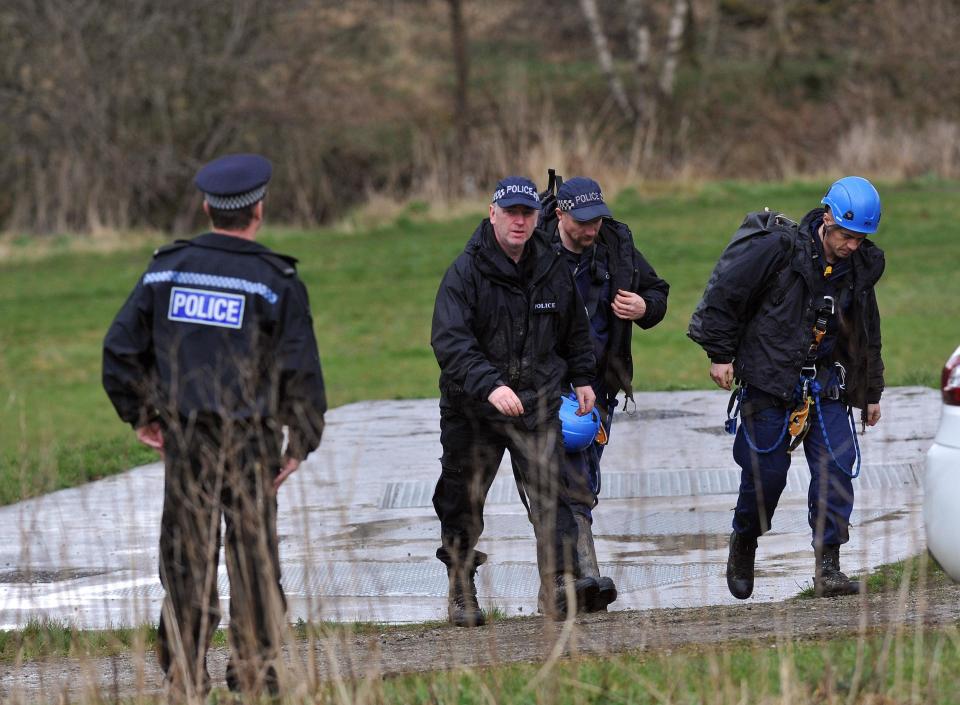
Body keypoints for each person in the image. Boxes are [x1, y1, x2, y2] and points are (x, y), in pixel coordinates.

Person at [102, 153, 326, 697]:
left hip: (186, 440)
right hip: (251, 442)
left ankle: (184, 673)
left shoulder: (165, 270)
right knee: (253, 556)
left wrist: (145, 415)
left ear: (207, 208)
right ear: (259, 210)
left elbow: (120, 351)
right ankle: (254, 671)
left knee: (186, 558)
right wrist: (300, 441)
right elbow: (299, 368)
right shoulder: (275, 282)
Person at [688, 176, 884, 600]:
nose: (853, 245)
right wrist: (719, 354)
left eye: (861, 238)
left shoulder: (859, 269)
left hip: (825, 381)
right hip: (767, 377)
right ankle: (745, 540)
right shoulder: (777, 251)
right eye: (847, 236)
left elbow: (866, 332)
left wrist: (871, 392)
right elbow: (725, 295)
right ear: (827, 218)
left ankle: (828, 564)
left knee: (837, 468)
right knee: (766, 476)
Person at [431, 175, 599, 626]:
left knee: (552, 495)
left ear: (538, 217)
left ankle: (558, 582)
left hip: (537, 403)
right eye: (511, 213)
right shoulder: (464, 272)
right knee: (462, 501)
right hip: (473, 410)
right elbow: (450, 343)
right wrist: (490, 385)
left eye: (527, 213)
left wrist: (583, 377)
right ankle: (461, 589)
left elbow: (575, 329)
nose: (519, 222)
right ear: (492, 214)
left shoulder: (551, 266)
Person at [538, 175, 669, 612]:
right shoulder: (536, 252)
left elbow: (657, 291)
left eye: (597, 220)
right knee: (561, 480)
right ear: (560, 215)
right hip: (547, 386)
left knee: (583, 478)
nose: (591, 230)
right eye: (582, 222)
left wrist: (644, 307)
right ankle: (576, 578)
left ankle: (575, 584)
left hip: (600, 387)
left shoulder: (615, 245)